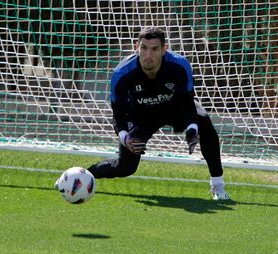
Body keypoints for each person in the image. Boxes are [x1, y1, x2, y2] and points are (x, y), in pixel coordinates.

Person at [74, 27, 229, 200]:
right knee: (126, 168)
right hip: (140, 118)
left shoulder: (179, 66)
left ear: (164, 49)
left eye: (155, 49)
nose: (148, 55)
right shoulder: (122, 73)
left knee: (203, 121)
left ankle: (218, 186)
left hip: (172, 109)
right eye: (144, 48)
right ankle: (80, 177)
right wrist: (126, 139)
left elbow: (187, 103)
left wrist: (192, 129)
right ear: (136, 47)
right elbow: (118, 115)